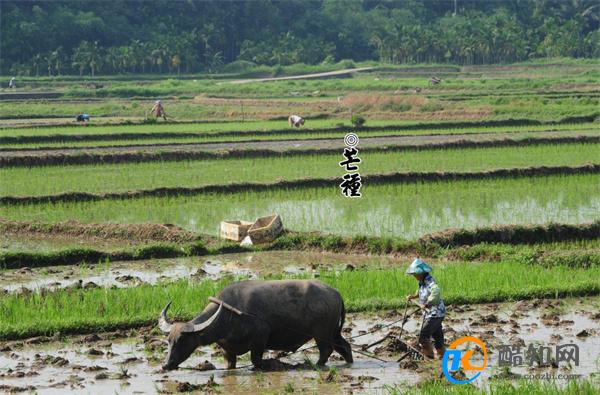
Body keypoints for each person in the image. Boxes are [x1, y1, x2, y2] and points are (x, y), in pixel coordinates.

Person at [405, 258, 446, 359]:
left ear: (422, 273)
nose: (414, 276)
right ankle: (441, 354)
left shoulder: (430, 282)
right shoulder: (422, 282)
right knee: (437, 335)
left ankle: (429, 355)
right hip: (431, 313)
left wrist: (427, 304)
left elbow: (436, 293)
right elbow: (421, 291)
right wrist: (414, 296)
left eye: (415, 274)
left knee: (423, 335)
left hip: (435, 313)